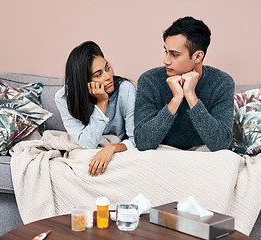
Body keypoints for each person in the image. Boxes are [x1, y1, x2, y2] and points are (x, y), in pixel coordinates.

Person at [134, 16, 234, 151]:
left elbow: (220, 144)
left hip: (204, 154)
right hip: (161, 153)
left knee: (228, 161)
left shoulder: (222, 83)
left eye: (174, 54)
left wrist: (191, 95)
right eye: (166, 52)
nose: (166, 61)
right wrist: (175, 100)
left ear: (198, 56)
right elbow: (143, 143)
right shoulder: (149, 81)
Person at [55, 41, 136, 176]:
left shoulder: (125, 89)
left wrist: (111, 149)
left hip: (119, 148)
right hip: (88, 148)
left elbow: (135, 139)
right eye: (98, 74)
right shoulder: (63, 98)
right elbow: (87, 143)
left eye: (107, 68)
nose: (108, 76)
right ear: (83, 81)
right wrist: (102, 102)